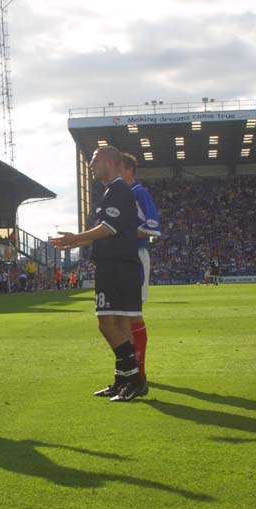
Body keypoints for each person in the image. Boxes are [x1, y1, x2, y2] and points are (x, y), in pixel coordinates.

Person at [50, 146, 146, 402]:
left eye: (93, 161)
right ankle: (123, 380)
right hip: (122, 264)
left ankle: (135, 379)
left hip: (115, 265)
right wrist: (76, 242)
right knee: (120, 323)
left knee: (106, 324)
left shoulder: (117, 190)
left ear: (107, 161)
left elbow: (109, 228)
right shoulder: (112, 191)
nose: (91, 166)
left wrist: (76, 238)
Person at [121, 152, 161, 380]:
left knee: (132, 314)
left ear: (127, 169)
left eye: (118, 168)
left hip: (135, 255)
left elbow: (153, 228)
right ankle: (130, 370)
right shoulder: (122, 195)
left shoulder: (138, 193)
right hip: (121, 257)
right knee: (121, 316)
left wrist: (121, 232)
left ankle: (139, 370)